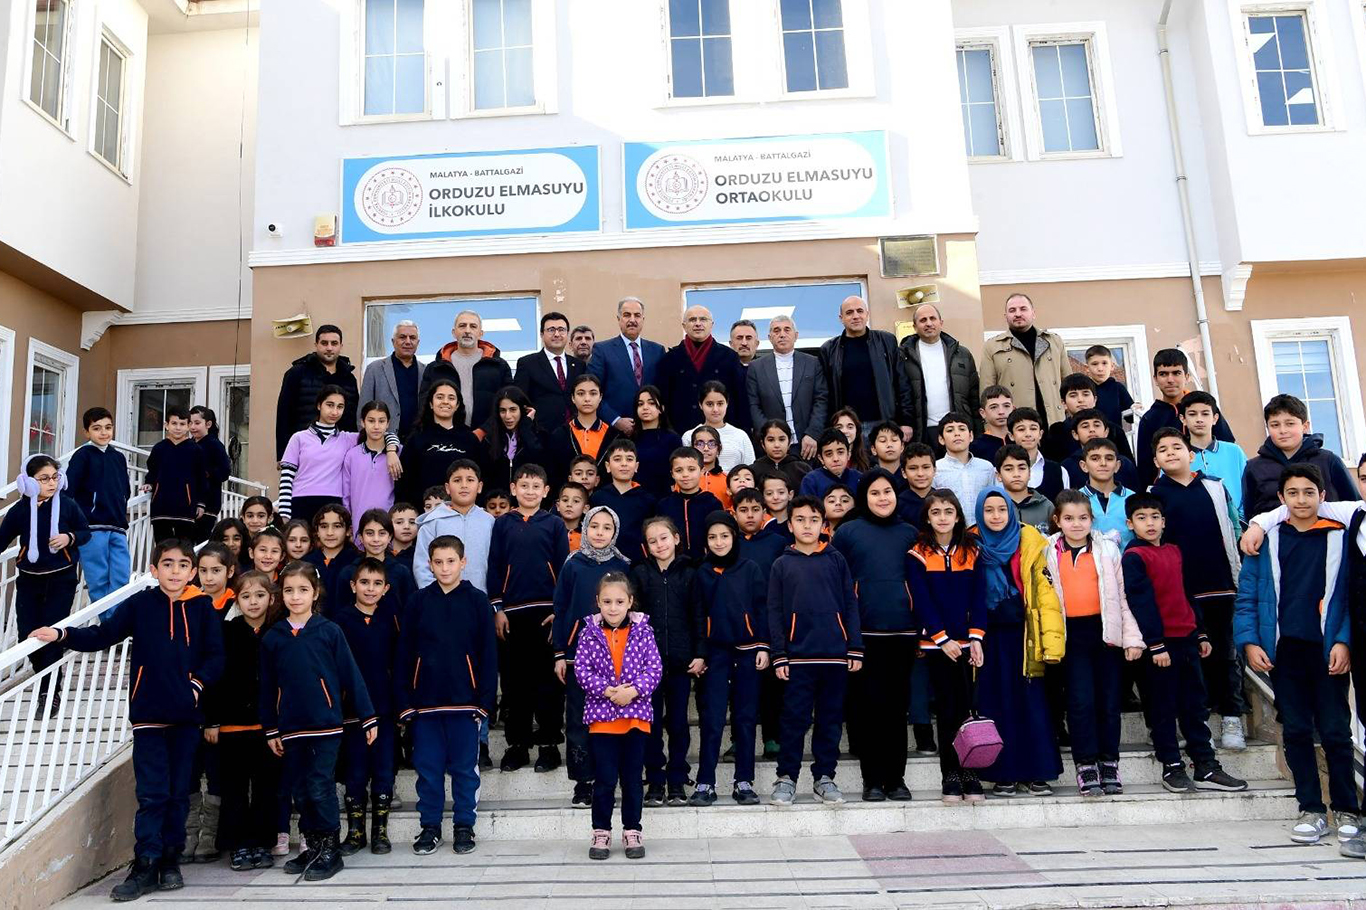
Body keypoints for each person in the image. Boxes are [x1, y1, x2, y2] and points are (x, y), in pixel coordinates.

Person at [31, 539, 224, 900]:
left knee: (178, 793)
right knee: (152, 794)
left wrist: (196, 685)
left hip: (186, 718)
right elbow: (103, 634)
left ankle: (170, 861)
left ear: (192, 572)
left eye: (183, 565)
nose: (175, 571)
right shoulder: (140, 604)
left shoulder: (203, 608)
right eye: (167, 564)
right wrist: (62, 634)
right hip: (148, 715)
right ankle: (146, 863)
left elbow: (215, 656)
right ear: (154, 570)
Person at [1230, 465, 1358, 845]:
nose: (1301, 500)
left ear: (1323, 496)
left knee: (1335, 731)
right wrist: (1250, 642)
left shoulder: (1341, 537)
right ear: (1281, 499)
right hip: (1284, 652)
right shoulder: (1267, 540)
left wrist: (1344, 641)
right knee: (1298, 730)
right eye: (1293, 493)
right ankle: (1311, 810)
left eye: (1309, 492)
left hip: (1328, 651)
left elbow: (1351, 597)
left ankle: (1348, 810)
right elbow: (1247, 596)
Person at [1121, 493, 1247, 794]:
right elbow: (1141, 603)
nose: (1150, 523)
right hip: (1160, 647)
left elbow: (1187, 594)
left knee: (1195, 705)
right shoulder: (1134, 556)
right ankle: (1172, 766)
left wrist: (1200, 633)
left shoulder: (1175, 551)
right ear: (1130, 524)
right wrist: (1155, 644)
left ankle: (1205, 765)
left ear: (1164, 521)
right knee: (1163, 707)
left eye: (1155, 517)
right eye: (1142, 518)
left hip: (1187, 641)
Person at [397, 535, 498, 856]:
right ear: (429, 564)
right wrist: (405, 702)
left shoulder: (477, 601)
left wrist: (485, 702)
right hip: (425, 705)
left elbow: (488, 654)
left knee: (465, 770)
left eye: (450, 561)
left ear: (463, 562)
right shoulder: (417, 602)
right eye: (438, 562)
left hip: (465, 704)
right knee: (428, 770)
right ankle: (430, 827)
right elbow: (404, 654)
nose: (444, 568)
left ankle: (464, 825)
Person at [1148, 427, 1246, 749]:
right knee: (1191, 660)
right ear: (1156, 460)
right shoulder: (1154, 495)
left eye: (1177, 447)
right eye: (1163, 449)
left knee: (1226, 654)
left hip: (1220, 584)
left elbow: (1233, 526)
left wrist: (1236, 570)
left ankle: (1231, 717)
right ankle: (1198, 724)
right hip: (1180, 592)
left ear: (1191, 454)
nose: (1171, 453)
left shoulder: (1215, 487)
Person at [1045, 490, 1145, 796]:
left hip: (1105, 634)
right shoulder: (1048, 551)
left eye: (1083, 518)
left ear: (1092, 520)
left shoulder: (1107, 549)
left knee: (1108, 701)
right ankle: (1086, 763)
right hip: (1071, 636)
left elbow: (1123, 596)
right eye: (1069, 518)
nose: (1076, 524)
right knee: (1080, 701)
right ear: (1057, 520)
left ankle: (1109, 761)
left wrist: (1132, 638)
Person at [767, 495, 863, 806]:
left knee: (830, 719)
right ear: (790, 525)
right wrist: (779, 653)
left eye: (813, 520)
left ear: (823, 524)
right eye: (800, 520)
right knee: (794, 719)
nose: (807, 526)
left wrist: (854, 646)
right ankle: (787, 777)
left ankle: (824, 777)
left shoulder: (836, 560)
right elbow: (774, 611)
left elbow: (850, 604)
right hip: (797, 658)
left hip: (835, 656)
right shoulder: (782, 564)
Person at [972, 487, 1065, 797]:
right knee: (997, 704)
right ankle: (1004, 774)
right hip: (987, 639)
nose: (996, 516)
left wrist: (1051, 641)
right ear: (979, 514)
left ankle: (1037, 771)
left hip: (1025, 636)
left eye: (1002, 509)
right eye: (989, 510)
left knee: (1031, 703)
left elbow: (1045, 593)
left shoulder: (1029, 540)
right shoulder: (971, 544)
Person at [831, 470, 917, 801]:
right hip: (863, 635)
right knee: (869, 708)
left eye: (887, 491)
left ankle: (896, 779)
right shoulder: (848, 533)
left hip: (903, 633)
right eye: (874, 493)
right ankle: (873, 780)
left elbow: (920, 583)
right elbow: (837, 584)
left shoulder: (910, 533)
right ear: (864, 498)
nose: (882, 498)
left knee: (897, 708)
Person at [488, 464, 569, 774]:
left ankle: (549, 744)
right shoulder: (502, 524)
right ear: (513, 489)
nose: (530, 491)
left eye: (536, 486)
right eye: (524, 486)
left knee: (549, 682)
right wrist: (498, 607)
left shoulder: (554, 524)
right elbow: (495, 565)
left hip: (547, 613)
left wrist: (559, 610)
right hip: (512, 614)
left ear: (546, 491)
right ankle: (517, 745)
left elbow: (563, 569)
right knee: (514, 683)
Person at [576, 572, 663, 861]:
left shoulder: (644, 631)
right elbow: (582, 671)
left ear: (630, 602)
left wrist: (633, 691)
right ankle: (601, 831)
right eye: (607, 602)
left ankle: (632, 830)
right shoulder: (588, 633)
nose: (613, 608)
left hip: (635, 718)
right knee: (604, 779)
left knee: (632, 779)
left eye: (619, 602)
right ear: (598, 602)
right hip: (602, 721)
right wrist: (607, 690)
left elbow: (654, 669)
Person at [906, 489, 985, 803]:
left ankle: (970, 772)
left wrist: (976, 638)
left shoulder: (972, 551)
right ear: (927, 517)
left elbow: (979, 596)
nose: (942, 517)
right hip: (937, 645)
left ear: (958, 516)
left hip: (968, 644)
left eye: (948, 511)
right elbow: (921, 600)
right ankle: (950, 773)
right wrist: (942, 638)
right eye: (936, 512)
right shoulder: (917, 553)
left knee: (967, 709)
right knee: (948, 710)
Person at [552, 506, 633, 808]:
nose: (600, 532)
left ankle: (611, 777)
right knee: (578, 719)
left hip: (616, 657)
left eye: (607, 527)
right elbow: (560, 608)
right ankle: (583, 782)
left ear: (615, 532)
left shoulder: (623, 565)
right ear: (585, 528)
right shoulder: (573, 563)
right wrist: (560, 652)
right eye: (594, 526)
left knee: (613, 719)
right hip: (578, 658)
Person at [687, 511, 769, 807]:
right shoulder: (702, 572)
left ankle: (743, 781)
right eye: (712, 537)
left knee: (745, 718)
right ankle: (705, 782)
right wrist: (701, 653)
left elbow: (762, 608)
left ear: (734, 537)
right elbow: (698, 616)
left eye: (724, 536)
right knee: (712, 719)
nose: (719, 542)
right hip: (716, 655)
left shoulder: (750, 568)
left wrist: (763, 646)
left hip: (748, 652)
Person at [204, 570, 281, 872]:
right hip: (231, 726)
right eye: (246, 596)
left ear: (271, 599)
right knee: (234, 790)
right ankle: (238, 845)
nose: (253, 602)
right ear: (237, 600)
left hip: (268, 728)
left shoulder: (277, 632)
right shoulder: (226, 632)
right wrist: (212, 720)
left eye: (260, 595)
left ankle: (262, 842)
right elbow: (214, 679)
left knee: (265, 789)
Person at [2, 454, 91, 699]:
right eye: (44, 479)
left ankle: (49, 691)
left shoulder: (68, 505)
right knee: (26, 634)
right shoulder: (19, 511)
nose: (52, 483)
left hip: (61, 579)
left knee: (50, 633)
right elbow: (2, 539)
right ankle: (43, 677)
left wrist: (69, 538)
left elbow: (85, 532)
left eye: (55, 477)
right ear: (29, 482)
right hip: (29, 580)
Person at [332, 557, 401, 857]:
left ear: (386, 588)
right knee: (355, 771)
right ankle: (355, 832)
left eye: (376, 584)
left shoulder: (391, 619)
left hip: (384, 710)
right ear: (353, 586)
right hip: (352, 713)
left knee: (383, 770)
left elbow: (400, 663)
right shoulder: (340, 621)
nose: (370, 589)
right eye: (364, 583)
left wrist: (400, 706)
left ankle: (380, 832)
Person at [632, 516, 703, 807]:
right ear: (646, 546)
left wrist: (700, 653)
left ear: (676, 538)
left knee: (677, 723)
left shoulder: (691, 573)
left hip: (680, 662)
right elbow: (633, 619)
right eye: (653, 541)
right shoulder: (639, 573)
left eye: (664, 538)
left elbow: (698, 615)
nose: (659, 544)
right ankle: (655, 779)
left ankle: (676, 779)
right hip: (647, 666)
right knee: (649, 723)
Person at [279, 386, 400, 525]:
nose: (335, 412)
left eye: (340, 407)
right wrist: (284, 514)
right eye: (330, 405)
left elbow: (383, 434)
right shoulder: (299, 438)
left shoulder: (347, 439)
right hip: (301, 501)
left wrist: (391, 451)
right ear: (319, 405)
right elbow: (286, 478)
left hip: (333, 503)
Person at [1242, 393, 1357, 518]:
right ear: (1268, 428)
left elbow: (1354, 506)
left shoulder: (1329, 461)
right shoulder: (1254, 467)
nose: (1283, 430)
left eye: (1290, 424)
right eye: (1275, 425)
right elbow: (1250, 514)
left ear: (1305, 426)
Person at [818, 296, 913, 441]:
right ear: (841, 318)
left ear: (867, 314)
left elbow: (902, 384)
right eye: (849, 312)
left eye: (860, 311)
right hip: (847, 429)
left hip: (885, 424)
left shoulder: (886, 341)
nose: (855, 316)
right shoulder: (829, 350)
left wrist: (906, 421)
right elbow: (824, 394)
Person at [1137, 349, 1236, 488]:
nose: (1170, 380)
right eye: (1163, 374)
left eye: (1176, 373)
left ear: (1187, 376)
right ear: (1155, 379)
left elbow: (1226, 448)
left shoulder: (1204, 408)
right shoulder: (1150, 419)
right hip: (1173, 490)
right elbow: (1146, 469)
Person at [65, 407, 130, 602]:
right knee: (98, 579)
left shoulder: (118, 457)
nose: (104, 432)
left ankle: (116, 618)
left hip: (118, 526)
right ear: (87, 432)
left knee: (121, 576)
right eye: (97, 428)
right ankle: (107, 619)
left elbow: (125, 489)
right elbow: (68, 490)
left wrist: (122, 503)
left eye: (108, 427)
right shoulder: (82, 455)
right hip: (92, 527)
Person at [979, 293, 1072, 426]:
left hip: (1055, 421)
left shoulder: (1054, 342)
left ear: (1033, 313)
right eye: (1012, 310)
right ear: (1006, 316)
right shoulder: (992, 346)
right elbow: (987, 392)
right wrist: (990, 428)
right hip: (1017, 424)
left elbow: (1069, 383)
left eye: (1023, 309)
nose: (1018, 314)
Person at [657, 305, 749, 435]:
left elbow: (740, 400)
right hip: (681, 433)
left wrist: (742, 432)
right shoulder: (670, 359)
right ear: (684, 326)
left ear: (712, 324)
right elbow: (663, 401)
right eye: (692, 320)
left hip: (722, 433)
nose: (698, 324)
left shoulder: (729, 357)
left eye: (703, 319)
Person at [746, 315, 828, 460]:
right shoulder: (756, 367)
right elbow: (753, 405)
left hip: (806, 445)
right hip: (772, 447)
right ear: (770, 337)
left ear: (796, 335)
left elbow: (821, 400)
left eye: (787, 330)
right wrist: (769, 437)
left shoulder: (812, 363)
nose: (782, 334)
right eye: (776, 330)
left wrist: (812, 433)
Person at [900, 303, 980, 447]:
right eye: (923, 320)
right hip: (922, 431)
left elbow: (974, 395)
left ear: (941, 323)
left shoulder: (962, 354)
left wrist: (977, 428)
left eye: (933, 318)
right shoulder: (903, 356)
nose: (929, 323)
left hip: (956, 429)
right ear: (915, 326)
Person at [397, 379, 487, 507]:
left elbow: (483, 475)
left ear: (457, 405)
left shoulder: (469, 439)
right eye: (440, 397)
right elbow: (404, 481)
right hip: (426, 511)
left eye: (451, 398)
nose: (445, 401)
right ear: (431, 403)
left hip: (462, 511)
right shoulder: (417, 438)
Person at [276, 324, 360, 458]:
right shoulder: (297, 373)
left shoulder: (349, 378)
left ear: (341, 346)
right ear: (316, 345)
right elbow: (283, 415)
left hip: (341, 453)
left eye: (334, 343)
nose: (329, 348)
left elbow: (352, 418)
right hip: (305, 452)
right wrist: (282, 455)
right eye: (324, 343)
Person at [419, 310, 513, 430]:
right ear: (454, 332)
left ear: (480, 333)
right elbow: (424, 407)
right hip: (445, 436)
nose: (467, 330)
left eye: (473, 326)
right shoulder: (435, 368)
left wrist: (483, 431)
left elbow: (507, 404)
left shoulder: (499, 366)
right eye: (462, 326)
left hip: (488, 436)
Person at [413, 460, 495, 592]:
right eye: (457, 480)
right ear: (447, 488)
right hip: (441, 599)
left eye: (470, 480)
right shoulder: (433, 522)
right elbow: (422, 566)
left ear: (479, 487)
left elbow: (496, 563)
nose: (464, 485)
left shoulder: (489, 521)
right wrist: (434, 595)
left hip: (481, 598)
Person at [588, 297, 665, 433]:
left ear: (643, 319)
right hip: (614, 432)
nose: (632, 320)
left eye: (637, 315)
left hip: (651, 429)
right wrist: (615, 420)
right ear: (618, 319)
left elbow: (663, 391)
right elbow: (592, 391)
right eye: (627, 315)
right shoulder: (602, 350)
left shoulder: (657, 351)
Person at [336, 509, 416, 617]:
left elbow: (410, 611)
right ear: (361, 537)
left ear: (390, 537)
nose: (376, 539)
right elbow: (340, 610)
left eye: (382, 533)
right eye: (370, 533)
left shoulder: (401, 572)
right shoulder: (348, 572)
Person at [516, 311, 586, 434]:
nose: (557, 334)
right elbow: (519, 400)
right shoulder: (527, 363)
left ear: (567, 334)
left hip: (576, 432)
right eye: (551, 330)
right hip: (541, 434)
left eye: (561, 330)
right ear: (541, 334)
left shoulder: (579, 365)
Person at [146, 405, 207, 544]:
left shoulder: (195, 450)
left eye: (182, 424)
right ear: (166, 425)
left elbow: (201, 479)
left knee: (185, 549)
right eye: (174, 423)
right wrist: (149, 484)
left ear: (188, 426)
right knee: (163, 548)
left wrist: (201, 504)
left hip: (186, 510)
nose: (178, 428)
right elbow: (152, 471)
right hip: (161, 509)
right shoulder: (159, 448)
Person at [1179, 391, 1247, 516]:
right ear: (1183, 419)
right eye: (1192, 414)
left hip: (1237, 522)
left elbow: (1249, 488)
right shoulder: (1177, 456)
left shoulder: (1234, 451)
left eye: (1205, 414)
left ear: (1215, 418)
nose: (1199, 419)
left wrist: (1241, 520)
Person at [547, 374, 622, 486]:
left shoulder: (614, 436)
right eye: (581, 394)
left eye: (593, 393)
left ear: (600, 397)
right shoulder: (560, 435)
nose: (587, 399)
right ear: (573, 398)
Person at [1042, 374, 1135, 464]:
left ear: (1095, 400)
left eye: (1085, 394)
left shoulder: (1113, 430)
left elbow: (1127, 466)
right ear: (1064, 403)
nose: (1080, 400)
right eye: (1073, 395)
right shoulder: (1057, 431)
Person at [341, 401, 402, 537]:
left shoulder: (398, 453)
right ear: (363, 422)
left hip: (389, 524)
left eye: (381, 421)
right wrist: (348, 523)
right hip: (359, 524)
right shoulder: (352, 455)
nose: (376, 426)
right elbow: (346, 494)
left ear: (388, 423)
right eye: (371, 421)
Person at [591, 439, 657, 563]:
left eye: (629, 459)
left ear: (636, 466)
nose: (624, 464)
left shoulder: (648, 500)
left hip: (639, 563)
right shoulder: (598, 498)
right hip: (604, 562)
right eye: (617, 459)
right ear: (608, 466)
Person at [475, 386, 548, 493]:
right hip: (497, 501)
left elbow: (540, 462)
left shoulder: (540, 435)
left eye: (513, 410)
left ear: (523, 410)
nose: (507, 416)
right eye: (503, 411)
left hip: (527, 498)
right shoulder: (489, 439)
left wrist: (525, 428)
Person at [359, 320, 423, 440]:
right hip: (382, 442)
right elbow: (363, 409)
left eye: (412, 338)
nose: (408, 341)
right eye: (402, 337)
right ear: (393, 341)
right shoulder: (375, 369)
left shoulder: (425, 371)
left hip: (418, 442)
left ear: (418, 342)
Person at [657, 447, 724, 559]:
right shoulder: (664, 505)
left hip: (706, 563)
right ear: (672, 474)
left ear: (702, 471)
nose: (685, 474)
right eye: (679, 470)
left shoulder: (713, 503)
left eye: (691, 469)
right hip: (674, 564)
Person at [934, 411, 997, 524]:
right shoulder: (935, 469)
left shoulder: (986, 467)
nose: (957, 434)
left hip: (983, 529)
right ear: (941, 439)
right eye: (950, 430)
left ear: (971, 436)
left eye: (962, 429)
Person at [1059, 408, 1141, 491]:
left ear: (1106, 432)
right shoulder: (1067, 466)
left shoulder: (1124, 464)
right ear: (1075, 434)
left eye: (1097, 425)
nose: (1092, 430)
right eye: (1085, 426)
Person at [682, 381, 755, 473]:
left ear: (727, 403)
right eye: (709, 404)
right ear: (700, 405)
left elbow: (750, 470)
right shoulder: (689, 436)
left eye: (720, 404)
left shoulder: (741, 436)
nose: (715, 409)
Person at [1077, 438, 1135, 546]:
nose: (1103, 463)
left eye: (1109, 458)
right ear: (1084, 466)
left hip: (1127, 556)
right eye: (1095, 459)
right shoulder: (1075, 500)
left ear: (1117, 465)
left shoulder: (1133, 498)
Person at [188, 406, 233, 543]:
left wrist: (207, 473)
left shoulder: (214, 444)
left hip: (209, 502)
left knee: (202, 540)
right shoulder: (188, 444)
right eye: (190, 423)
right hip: (190, 500)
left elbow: (225, 471)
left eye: (197, 423)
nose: (193, 427)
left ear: (208, 424)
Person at [631, 385, 684, 499]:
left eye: (651, 403)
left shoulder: (672, 439)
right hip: (636, 498)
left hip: (665, 498)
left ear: (661, 408)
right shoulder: (630, 439)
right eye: (640, 404)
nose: (645, 407)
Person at [1007, 407, 1064, 501]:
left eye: (1033, 428)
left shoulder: (1059, 470)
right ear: (1011, 435)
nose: (1028, 434)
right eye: (1021, 429)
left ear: (1040, 434)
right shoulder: (1002, 471)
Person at [994, 444, 1052, 534]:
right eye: (1009, 469)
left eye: (1022, 468)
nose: (1016, 474)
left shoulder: (1046, 507)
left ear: (1029, 473)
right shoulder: (993, 507)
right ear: (998, 475)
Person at [1083, 345, 1136, 432]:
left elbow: (1130, 418)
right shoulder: (1083, 390)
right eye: (1095, 364)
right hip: (1090, 436)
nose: (1100, 369)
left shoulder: (1118, 388)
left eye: (1104, 363)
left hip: (1114, 437)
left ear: (1112, 366)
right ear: (1087, 368)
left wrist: (1135, 409)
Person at [800, 429, 862, 501]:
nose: (835, 459)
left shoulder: (859, 478)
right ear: (821, 458)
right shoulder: (811, 481)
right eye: (829, 454)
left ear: (848, 454)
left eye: (840, 452)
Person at [753, 419, 812, 491]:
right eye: (771, 440)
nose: (777, 445)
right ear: (763, 444)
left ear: (789, 442)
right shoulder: (754, 471)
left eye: (781, 439)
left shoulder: (802, 469)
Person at [690, 426, 731, 509]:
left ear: (719, 448)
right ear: (692, 448)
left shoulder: (728, 480)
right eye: (700, 444)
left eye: (711, 444)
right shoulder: (685, 479)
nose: (706, 449)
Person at [970, 385, 1014, 462]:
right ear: (983, 413)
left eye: (1006, 406)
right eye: (994, 407)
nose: (1001, 412)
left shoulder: (1021, 440)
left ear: (1013, 409)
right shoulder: (976, 447)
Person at [897, 443, 936, 527]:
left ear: (934, 470)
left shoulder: (943, 501)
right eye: (913, 468)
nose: (920, 474)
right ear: (904, 473)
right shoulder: (897, 505)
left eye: (926, 467)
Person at [557, 481, 589, 552]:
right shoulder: (549, 531)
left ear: (585, 508)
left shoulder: (588, 536)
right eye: (565, 500)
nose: (569, 504)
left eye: (576, 501)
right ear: (558, 506)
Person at [389, 502, 419, 573]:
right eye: (399, 522)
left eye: (412, 522)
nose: (406, 527)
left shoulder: (421, 556)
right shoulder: (382, 554)